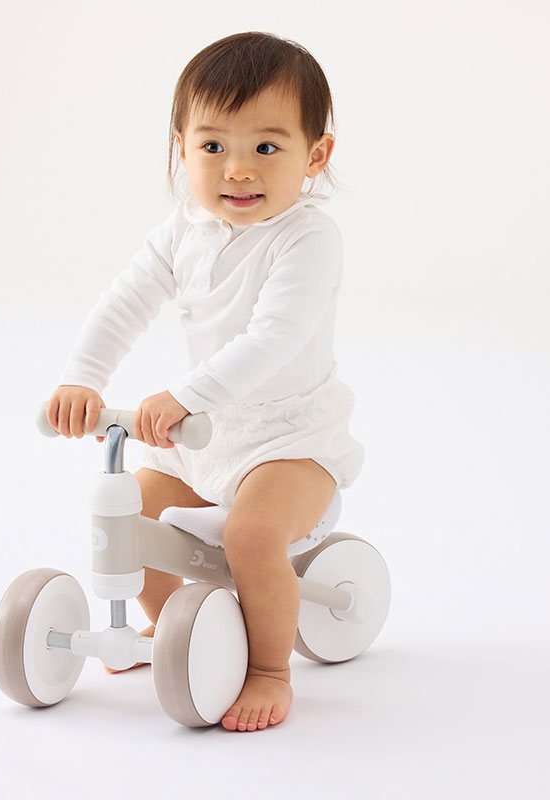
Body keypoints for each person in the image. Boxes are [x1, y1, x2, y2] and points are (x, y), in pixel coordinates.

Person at [46, 31, 364, 732]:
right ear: (182, 150)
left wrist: (186, 396)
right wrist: (82, 379)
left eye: (267, 147)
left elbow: (275, 339)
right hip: (206, 436)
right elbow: (124, 303)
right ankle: (179, 633)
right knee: (132, 515)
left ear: (316, 156)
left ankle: (269, 668)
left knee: (251, 536)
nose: (238, 170)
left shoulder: (308, 239)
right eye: (214, 145)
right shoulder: (183, 230)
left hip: (289, 439)